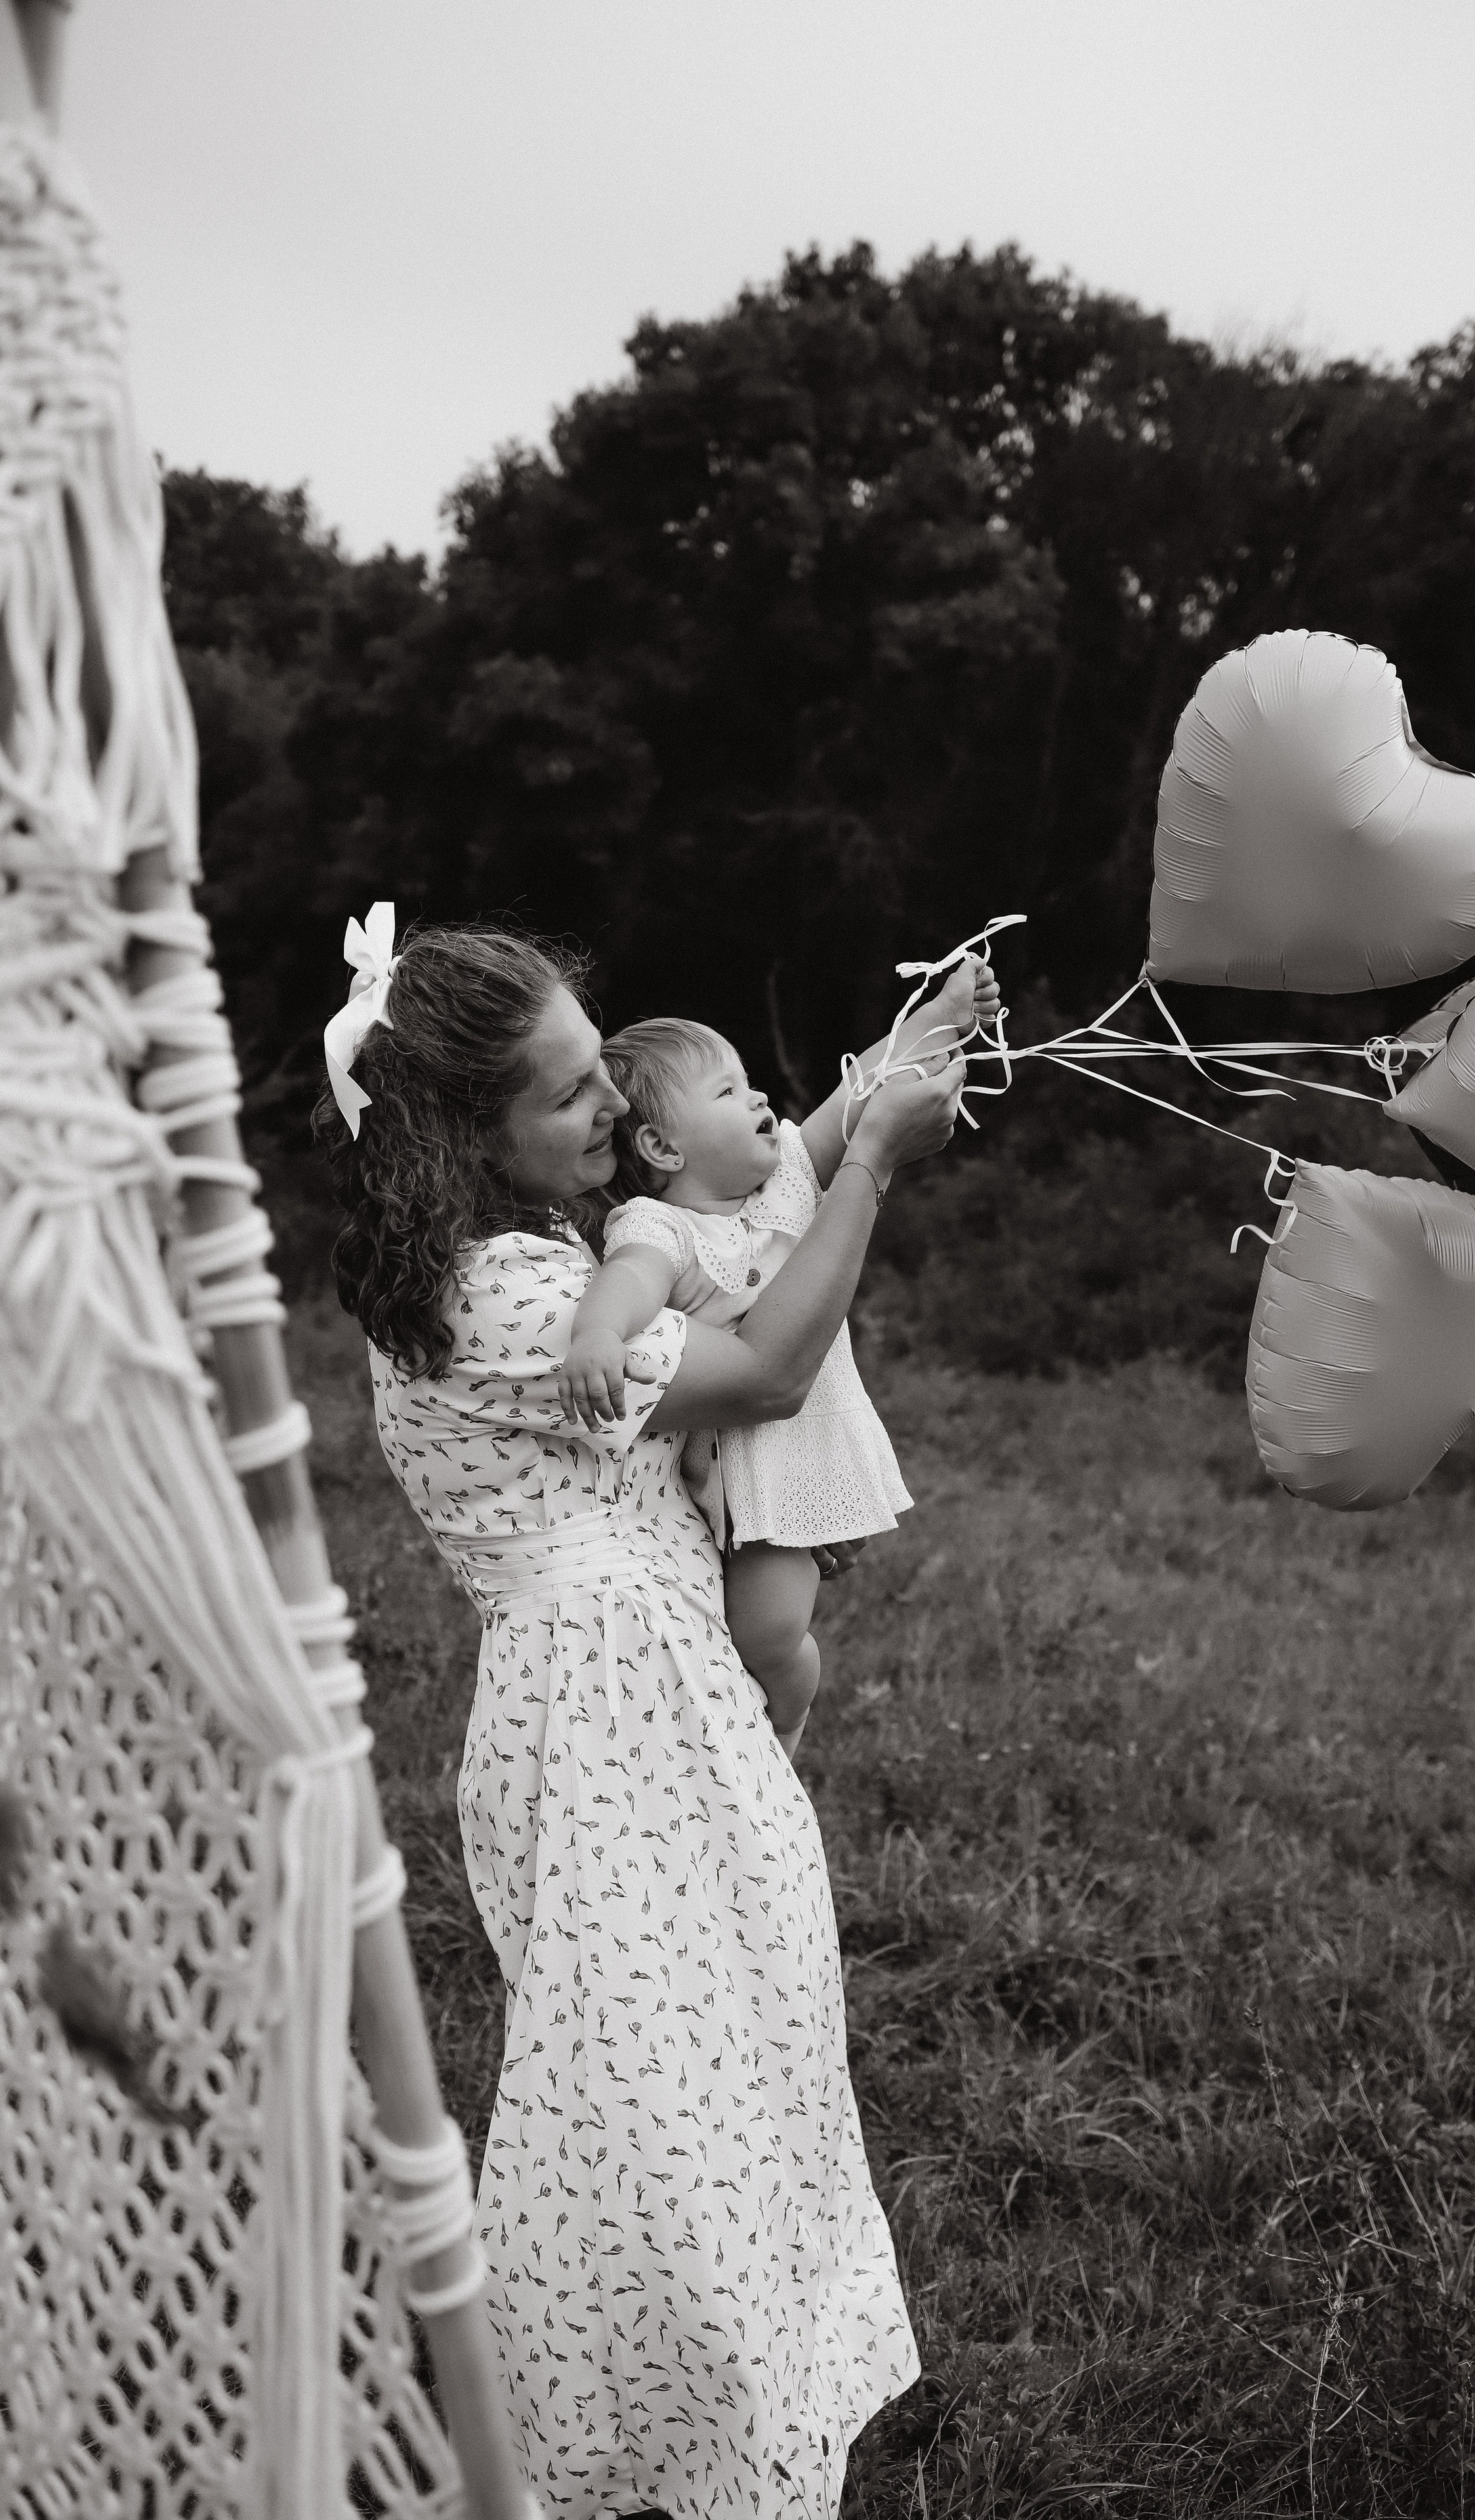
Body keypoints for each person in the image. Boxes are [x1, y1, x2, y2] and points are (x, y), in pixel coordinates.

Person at [315, 915, 965, 2520]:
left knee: (715, 2077)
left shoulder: (523, 1247)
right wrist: (872, 1166)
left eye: (603, 1069)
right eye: (567, 1097)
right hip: (613, 1724)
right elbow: (760, 1361)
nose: (610, 1105)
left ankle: (712, 2423)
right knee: (651, 2113)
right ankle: (632, 2444)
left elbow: (727, 1206)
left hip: (639, 1699)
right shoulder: (506, 1296)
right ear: (466, 1137)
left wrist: (883, 1077)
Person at [556, 956, 999, 1756]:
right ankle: (732, 1747)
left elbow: (862, 1091)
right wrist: (597, 1332)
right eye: (727, 1092)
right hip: (714, 1475)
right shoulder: (660, 1228)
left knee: (767, 1633)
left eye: (749, 1081)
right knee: (717, 1635)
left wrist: (943, 1013)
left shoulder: (788, 1180)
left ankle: (786, 1724)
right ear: (661, 1145)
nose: (759, 1097)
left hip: (798, 1456)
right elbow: (629, 1279)